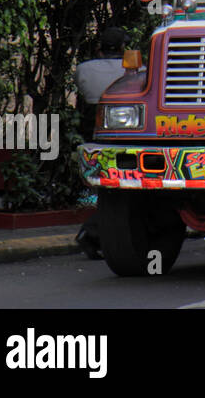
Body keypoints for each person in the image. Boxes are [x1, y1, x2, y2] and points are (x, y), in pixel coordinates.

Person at [74, 27, 128, 261]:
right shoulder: (137, 71)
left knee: (105, 183)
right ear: (125, 49)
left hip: (90, 126)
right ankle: (92, 232)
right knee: (119, 186)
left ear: (99, 48)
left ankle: (96, 233)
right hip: (121, 129)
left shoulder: (83, 68)